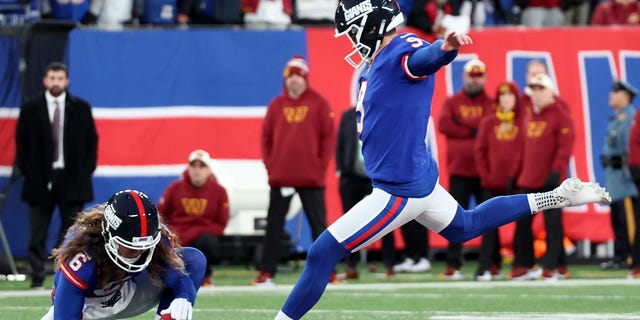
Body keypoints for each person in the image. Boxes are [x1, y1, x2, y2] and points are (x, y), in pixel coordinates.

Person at [273, 0, 610, 318]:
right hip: (414, 180)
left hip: (397, 190)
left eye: (352, 31)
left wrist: (444, 50)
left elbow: (423, 59)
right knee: (467, 225)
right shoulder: (377, 61)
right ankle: (559, 196)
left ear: (369, 25)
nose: (350, 41)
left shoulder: (402, 49)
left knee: (321, 253)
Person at [41, 189, 206, 320]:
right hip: (89, 306)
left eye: (144, 246)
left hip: (128, 292)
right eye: (128, 246)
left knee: (193, 260)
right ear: (108, 235)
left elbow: (179, 277)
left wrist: (184, 297)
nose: (137, 252)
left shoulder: (156, 238)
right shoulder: (83, 254)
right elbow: (65, 313)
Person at [253, 55, 336, 285]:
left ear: (305, 79)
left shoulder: (319, 103)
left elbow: (328, 137)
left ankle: (328, 272)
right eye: (289, 77)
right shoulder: (276, 105)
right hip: (281, 178)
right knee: (273, 226)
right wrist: (271, 165)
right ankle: (266, 273)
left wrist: (320, 166)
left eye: (297, 76)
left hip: (311, 178)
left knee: (319, 226)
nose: (293, 81)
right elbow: (266, 137)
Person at [15, 61, 99, 289]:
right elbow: (21, 144)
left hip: (72, 180)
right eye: (52, 78)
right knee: (37, 233)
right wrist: (27, 171)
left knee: (72, 233)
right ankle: (37, 276)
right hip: (39, 179)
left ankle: (67, 277)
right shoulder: (31, 108)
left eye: (60, 78)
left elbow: (91, 142)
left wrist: (84, 171)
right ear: (45, 80)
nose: (56, 82)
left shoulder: (80, 108)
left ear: (67, 81)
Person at [509, 73, 575, 281]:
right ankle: (525, 264)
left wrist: (556, 172)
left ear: (550, 91)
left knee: (552, 225)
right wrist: (515, 174)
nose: (536, 94)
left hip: (551, 181)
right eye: (534, 90)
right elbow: (522, 150)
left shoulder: (560, 115)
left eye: (541, 89)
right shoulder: (529, 116)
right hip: (529, 179)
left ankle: (552, 267)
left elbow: (565, 148)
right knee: (522, 223)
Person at [437, 58, 494, 280]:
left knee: (489, 219)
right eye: (472, 74)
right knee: (453, 219)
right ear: (464, 76)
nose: (475, 78)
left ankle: (489, 263)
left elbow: (489, 130)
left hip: (483, 172)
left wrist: (463, 124)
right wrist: (473, 131)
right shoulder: (453, 102)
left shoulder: (491, 103)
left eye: (479, 75)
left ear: (485, 78)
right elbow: (444, 124)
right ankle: (453, 263)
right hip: (459, 170)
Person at [473, 81, 524, 281]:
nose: (506, 99)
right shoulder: (488, 122)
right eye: (502, 96)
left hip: (516, 183)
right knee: (488, 226)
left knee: (522, 226)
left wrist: (516, 176)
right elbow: (480, 151)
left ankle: (521, 266)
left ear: (515, 98)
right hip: (491, 183)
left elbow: (524, 152)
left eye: (510, 95)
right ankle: (488, 266)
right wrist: (486, 176)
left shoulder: (523, 121)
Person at [157, 149, 230, 286]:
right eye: (194, 166)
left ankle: (204, 275)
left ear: (209, 170)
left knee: (208, 242)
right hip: (177, 235)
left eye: (202, 166)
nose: (197, 170)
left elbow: (221, 224)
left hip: (200, 238)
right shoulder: (174, 189)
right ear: (189, 168)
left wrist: (194, 232)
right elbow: (160, 215)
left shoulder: (219, 192)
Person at [600, 81, 640, 272]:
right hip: (614, 179)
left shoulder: (630, 118)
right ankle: (621, 256)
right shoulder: (617, 118)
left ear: (625, 96)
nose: (611, 95)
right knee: (617, 220)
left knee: (628, 220)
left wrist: (630, 177)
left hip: (625, 180)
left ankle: (634, 255)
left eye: (615, 92)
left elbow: (629, 150)